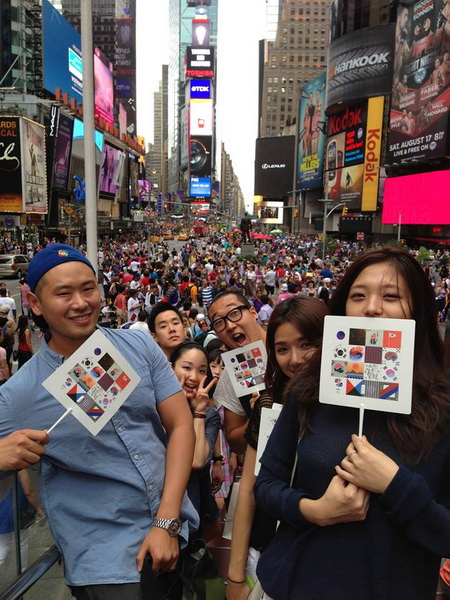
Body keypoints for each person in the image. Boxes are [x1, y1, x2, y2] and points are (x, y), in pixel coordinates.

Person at [0, 244, 198, 600]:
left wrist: (166, 522)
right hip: (106, 563)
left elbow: (180, 425)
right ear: (35, 303)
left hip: (174, 534)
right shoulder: (17, 394)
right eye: (64, 293)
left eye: (88, 288)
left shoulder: (139, 346)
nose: (80, 302)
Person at [254, 247, 450, 599]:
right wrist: (312, 510)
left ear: (418, 310)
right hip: (292, 586)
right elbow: (266, 483)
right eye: (358, 296)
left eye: (391, 296)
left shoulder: (444, 408)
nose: (372, 307)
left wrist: (395, 484)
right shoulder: (310, 389)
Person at [227, 298, 328, 599]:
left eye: (307, 344)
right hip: (268, 556)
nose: (295, 359)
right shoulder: (269, 405)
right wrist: (234, 577)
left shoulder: (353, 409)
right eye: (282, 349)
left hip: (328, 562)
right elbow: (248, 490)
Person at [170, 342, 221, 542]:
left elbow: (197, 461)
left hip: (190, 510)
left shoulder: (209, 416)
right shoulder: (154, 408)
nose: (193, 377)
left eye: (201, 371)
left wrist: (198, 412)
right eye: (186, 368)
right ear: (170, 367)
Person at [208, 292, 267, 454]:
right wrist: (257, 417)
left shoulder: (288, 347)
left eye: (234, 313)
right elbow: (235, 441)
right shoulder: (233, 372)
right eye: (219, 322)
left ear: (253, 312)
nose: (229, 325)